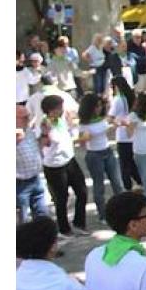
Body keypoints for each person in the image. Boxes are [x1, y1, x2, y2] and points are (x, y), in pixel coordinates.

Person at [39, 95, 91, 237]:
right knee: (61, 198)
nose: (62, 110)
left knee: (82, 191)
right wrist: (45, 135)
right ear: (51, 110)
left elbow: (69, 133)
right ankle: (64, 228)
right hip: (55, 166)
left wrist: (72, 125)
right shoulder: (45, 124)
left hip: (69, 159)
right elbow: (44, 143)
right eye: (59, 108)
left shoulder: (60, 120)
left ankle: (79, 223)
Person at [77, 93, 124, 221]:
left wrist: (115, 126)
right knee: (99, 186)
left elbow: (109, 127)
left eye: (100, 106)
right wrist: (84, 138)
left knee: (117, 183)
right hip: (94, 155)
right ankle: (103, 215)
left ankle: (123, 209)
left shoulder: (102, 118)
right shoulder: (84, 124)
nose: (99, 108)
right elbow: (82, 143)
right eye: (96, 106)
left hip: (107, 151)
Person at [16, 105, 52, 224]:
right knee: (23, 220)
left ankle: (44, 240)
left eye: (28, 116)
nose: (28, 119)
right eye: (24, 117)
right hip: (20, 184)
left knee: (43, 215)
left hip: (35, 179)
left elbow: (38, 147)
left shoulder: (28, 130)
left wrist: (45, 134)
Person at [110, 77, 143, 191]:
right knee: (130, 161)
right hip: (133, 134)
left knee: (124, 164)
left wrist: (114, 122)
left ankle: (127, 186)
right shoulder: (131, 97)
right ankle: (140, 180)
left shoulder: (118, 99)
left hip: (123, 136)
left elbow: (111, 117)